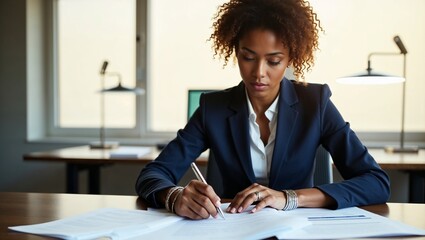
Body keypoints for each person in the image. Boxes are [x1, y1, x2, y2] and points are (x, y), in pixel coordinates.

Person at [136, 0, 390, 220]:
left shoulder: (316, 102)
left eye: (273, 61)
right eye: (248, 57)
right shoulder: (212, 108)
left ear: (291, 58)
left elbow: (375, 181)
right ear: (235, 52)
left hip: (299, 229)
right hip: (237, 229)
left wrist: (289, 198)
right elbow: (153, 175)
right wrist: (175, 196)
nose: (259, 73)